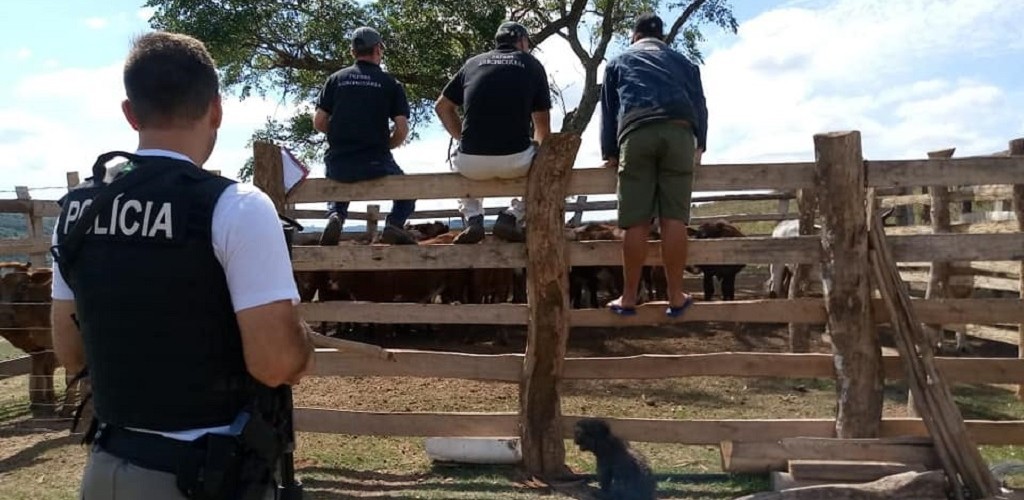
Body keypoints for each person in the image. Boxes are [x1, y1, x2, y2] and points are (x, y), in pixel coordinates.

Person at [49, 31, 315, 499]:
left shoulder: (77, 211)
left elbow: (71, 352)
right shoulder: (236, 206)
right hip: (205, 475)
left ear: (130, 113)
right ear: (216, 109)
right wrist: (302, 339)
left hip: (107, 465)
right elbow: (276, 363)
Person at [599, 13, 708, 318]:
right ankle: (675, 296)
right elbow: (700, 103)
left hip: (637, 131)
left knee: (637, 221)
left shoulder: (619, 61)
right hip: (680, 130)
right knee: (674, 219)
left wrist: (610, 151)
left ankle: (629, 297)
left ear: (634, 36)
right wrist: (700, 143)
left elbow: (609, 111)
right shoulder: (683, 62)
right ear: (661, 38)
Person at [434, 21, 552, 244]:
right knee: (546, 168)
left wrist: (461, 138)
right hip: (517, 161)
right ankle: (510, 216)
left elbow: (442, 106)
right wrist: (539, 158)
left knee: (455, 159)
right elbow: (542, 128)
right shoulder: (532, 65)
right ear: (523, 42)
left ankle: (474, 218)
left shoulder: (472, 64)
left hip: (471, 163)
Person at [313, 26, 418, 246]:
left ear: (353, 52)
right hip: (376, 161)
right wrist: (385, 146)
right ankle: (393, 225)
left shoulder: (335, 79)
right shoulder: (391, 84)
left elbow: (319, 122)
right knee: (408, 193)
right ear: (378, 50)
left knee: (337, 183)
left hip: (339, 162)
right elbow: (402, 130)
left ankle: (336, 215)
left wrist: (341, 135)